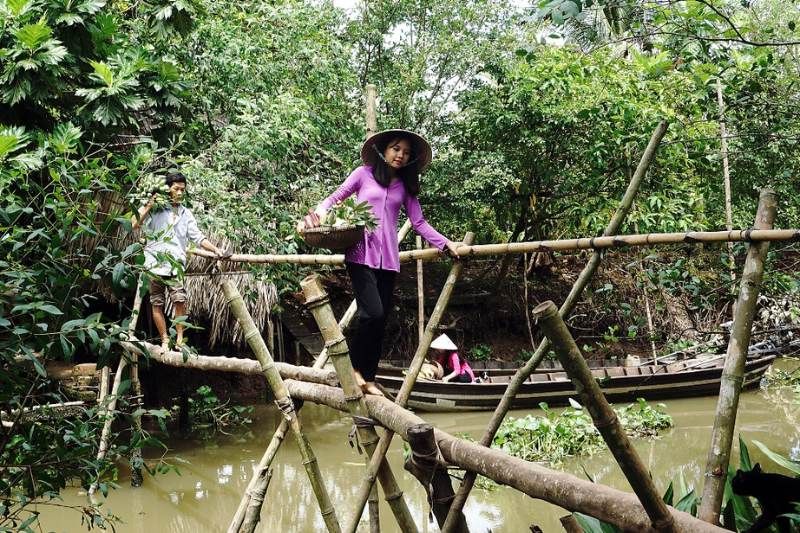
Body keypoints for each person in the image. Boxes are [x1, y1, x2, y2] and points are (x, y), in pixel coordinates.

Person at [298, 129, 461, 395]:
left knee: (381, 319)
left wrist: (447, 244)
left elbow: (418, 222)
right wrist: (314, 216)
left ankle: (368, 378)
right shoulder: (363, 174)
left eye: (406, 152)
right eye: (396, 148)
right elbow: (335, 197)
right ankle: (353, 370)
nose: (400, 155)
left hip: (389, 262)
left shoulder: (405, 187)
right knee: (370, 313)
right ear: (384, 150)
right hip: (361, 255)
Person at [132, 171, 229, 351]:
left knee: (179, 300)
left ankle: (180, 339)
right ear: (167, 189)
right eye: (176, 188)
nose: (179, 193)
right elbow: (134, 224)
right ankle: (164, 339)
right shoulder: (156, 209)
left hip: (175, 265)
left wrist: (216, 249)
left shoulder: (186, 213)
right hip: (154, 264)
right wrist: (148, 205)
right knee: (157, 303)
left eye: (182, 189)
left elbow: (198, 237)